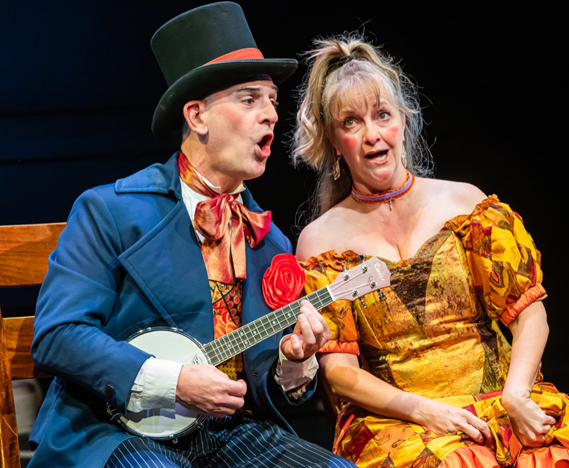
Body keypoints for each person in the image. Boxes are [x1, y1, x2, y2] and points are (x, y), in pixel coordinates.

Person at [29, 4, 355, 467]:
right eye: (249, 100)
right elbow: (59, 335)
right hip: (114, 430)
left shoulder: (268, 241)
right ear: (197, 116)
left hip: (230, 434)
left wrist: (294, 361)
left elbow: (261, 383)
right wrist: (175, 383)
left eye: (272, 101)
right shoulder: (112, 211)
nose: (270, 115)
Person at [292, 35, 569, 468]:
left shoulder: (466, 205)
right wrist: (426, 411)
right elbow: (340, 372)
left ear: (403, 120)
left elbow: (530, 313)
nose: (372, 135)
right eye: (351, 122)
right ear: (333, 138)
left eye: (382, 115)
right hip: (400, 423)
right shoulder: (321, 243)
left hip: (499, 400)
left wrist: (516, 394)